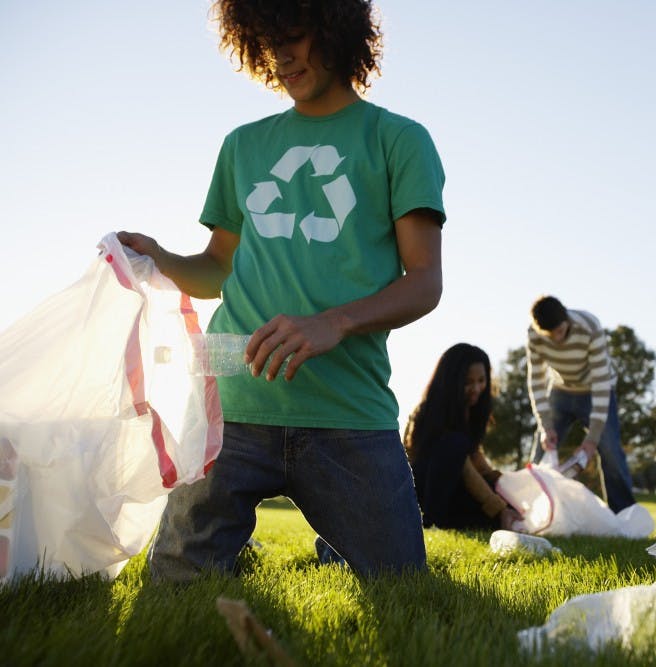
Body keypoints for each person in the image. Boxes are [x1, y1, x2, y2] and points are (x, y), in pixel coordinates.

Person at [117, 0, 446, 581]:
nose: (283, 56)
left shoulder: (399, 139)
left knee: (401, 585)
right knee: (171, 587)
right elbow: (219, 268)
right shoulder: (242, 145)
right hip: (234, 407)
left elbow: (423, 282)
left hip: (347, 412)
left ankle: (330, 544)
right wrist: (162, 259)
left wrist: (333, 323)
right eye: (268, 44)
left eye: (295, 36)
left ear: (338, 31)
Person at [526, 296, 636, 513]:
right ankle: (530, 509)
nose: (556, 340)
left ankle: (623, 513)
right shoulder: (535, 334)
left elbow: (601, 383)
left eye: (559, 332)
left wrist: (592, 438)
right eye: (550, 336)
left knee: (610, 449)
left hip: (595, 389)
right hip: (560, 390)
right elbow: (536, 381)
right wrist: (545, 426)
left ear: (566, 319)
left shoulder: (589, 327)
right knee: (542, 448)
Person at [405, 344, 522, 530]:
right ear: (453, 382)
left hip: (458, 489)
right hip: (430, 489)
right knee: (455, 444)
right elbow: (465, 467)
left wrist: (500, 481)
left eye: (481, 381)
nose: (476, 388)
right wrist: (498, 507)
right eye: (468, 382)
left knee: (510, 510)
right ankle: (431, 520)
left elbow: (475, 457)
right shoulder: (431, 413)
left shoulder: (472, 410)